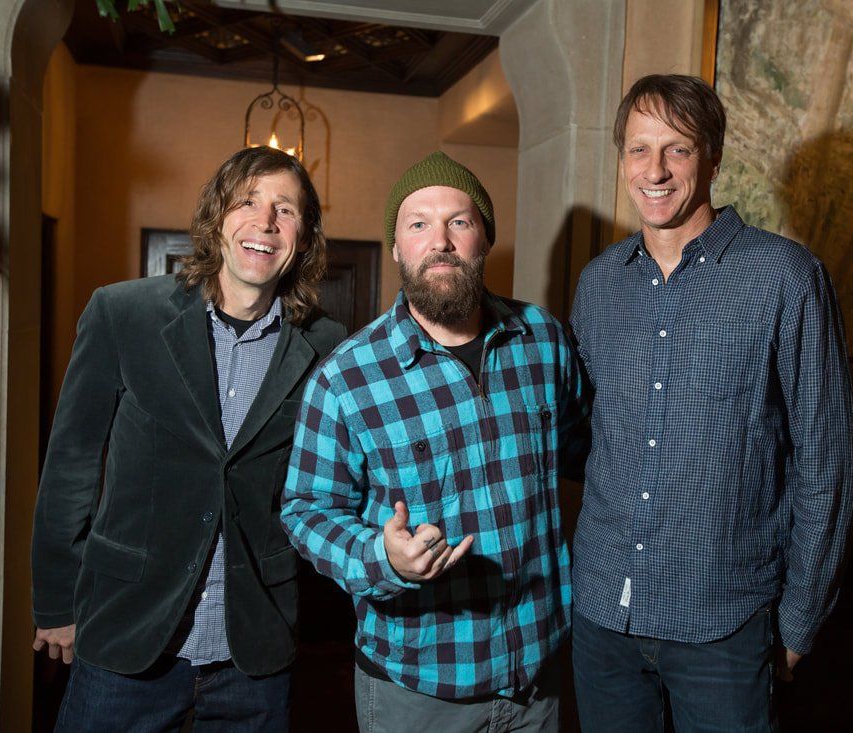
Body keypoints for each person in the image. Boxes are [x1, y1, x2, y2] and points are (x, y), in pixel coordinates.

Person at [569, 74, 853, 732]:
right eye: (638, 149)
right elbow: (588, 438)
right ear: (621, 159)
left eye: (677, 148)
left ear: (713, 157)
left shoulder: (786, 276)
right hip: (602, 618)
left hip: (723, 627)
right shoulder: (597, 285)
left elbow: (829, 463)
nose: (655, 169)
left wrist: (799, 619)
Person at [31, 146, 345, 732]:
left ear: (303, 238)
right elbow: (71, 461)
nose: (265, 222)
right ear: (217, 218)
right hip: (125, 637)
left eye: (286, 209)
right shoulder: (123, 314)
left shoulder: (327, 346)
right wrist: (54, 601)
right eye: (247, 202)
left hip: (253, 652)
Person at [281, 152, 588, 732]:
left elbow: (588, 452)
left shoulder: (543, 339)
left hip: (539, 677)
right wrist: (382, 557)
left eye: (460, 222)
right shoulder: (347, 377)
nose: (439, 240)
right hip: (417, 690)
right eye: (418, 223)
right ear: (397, 247)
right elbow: (306, 511)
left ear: (485, 240)